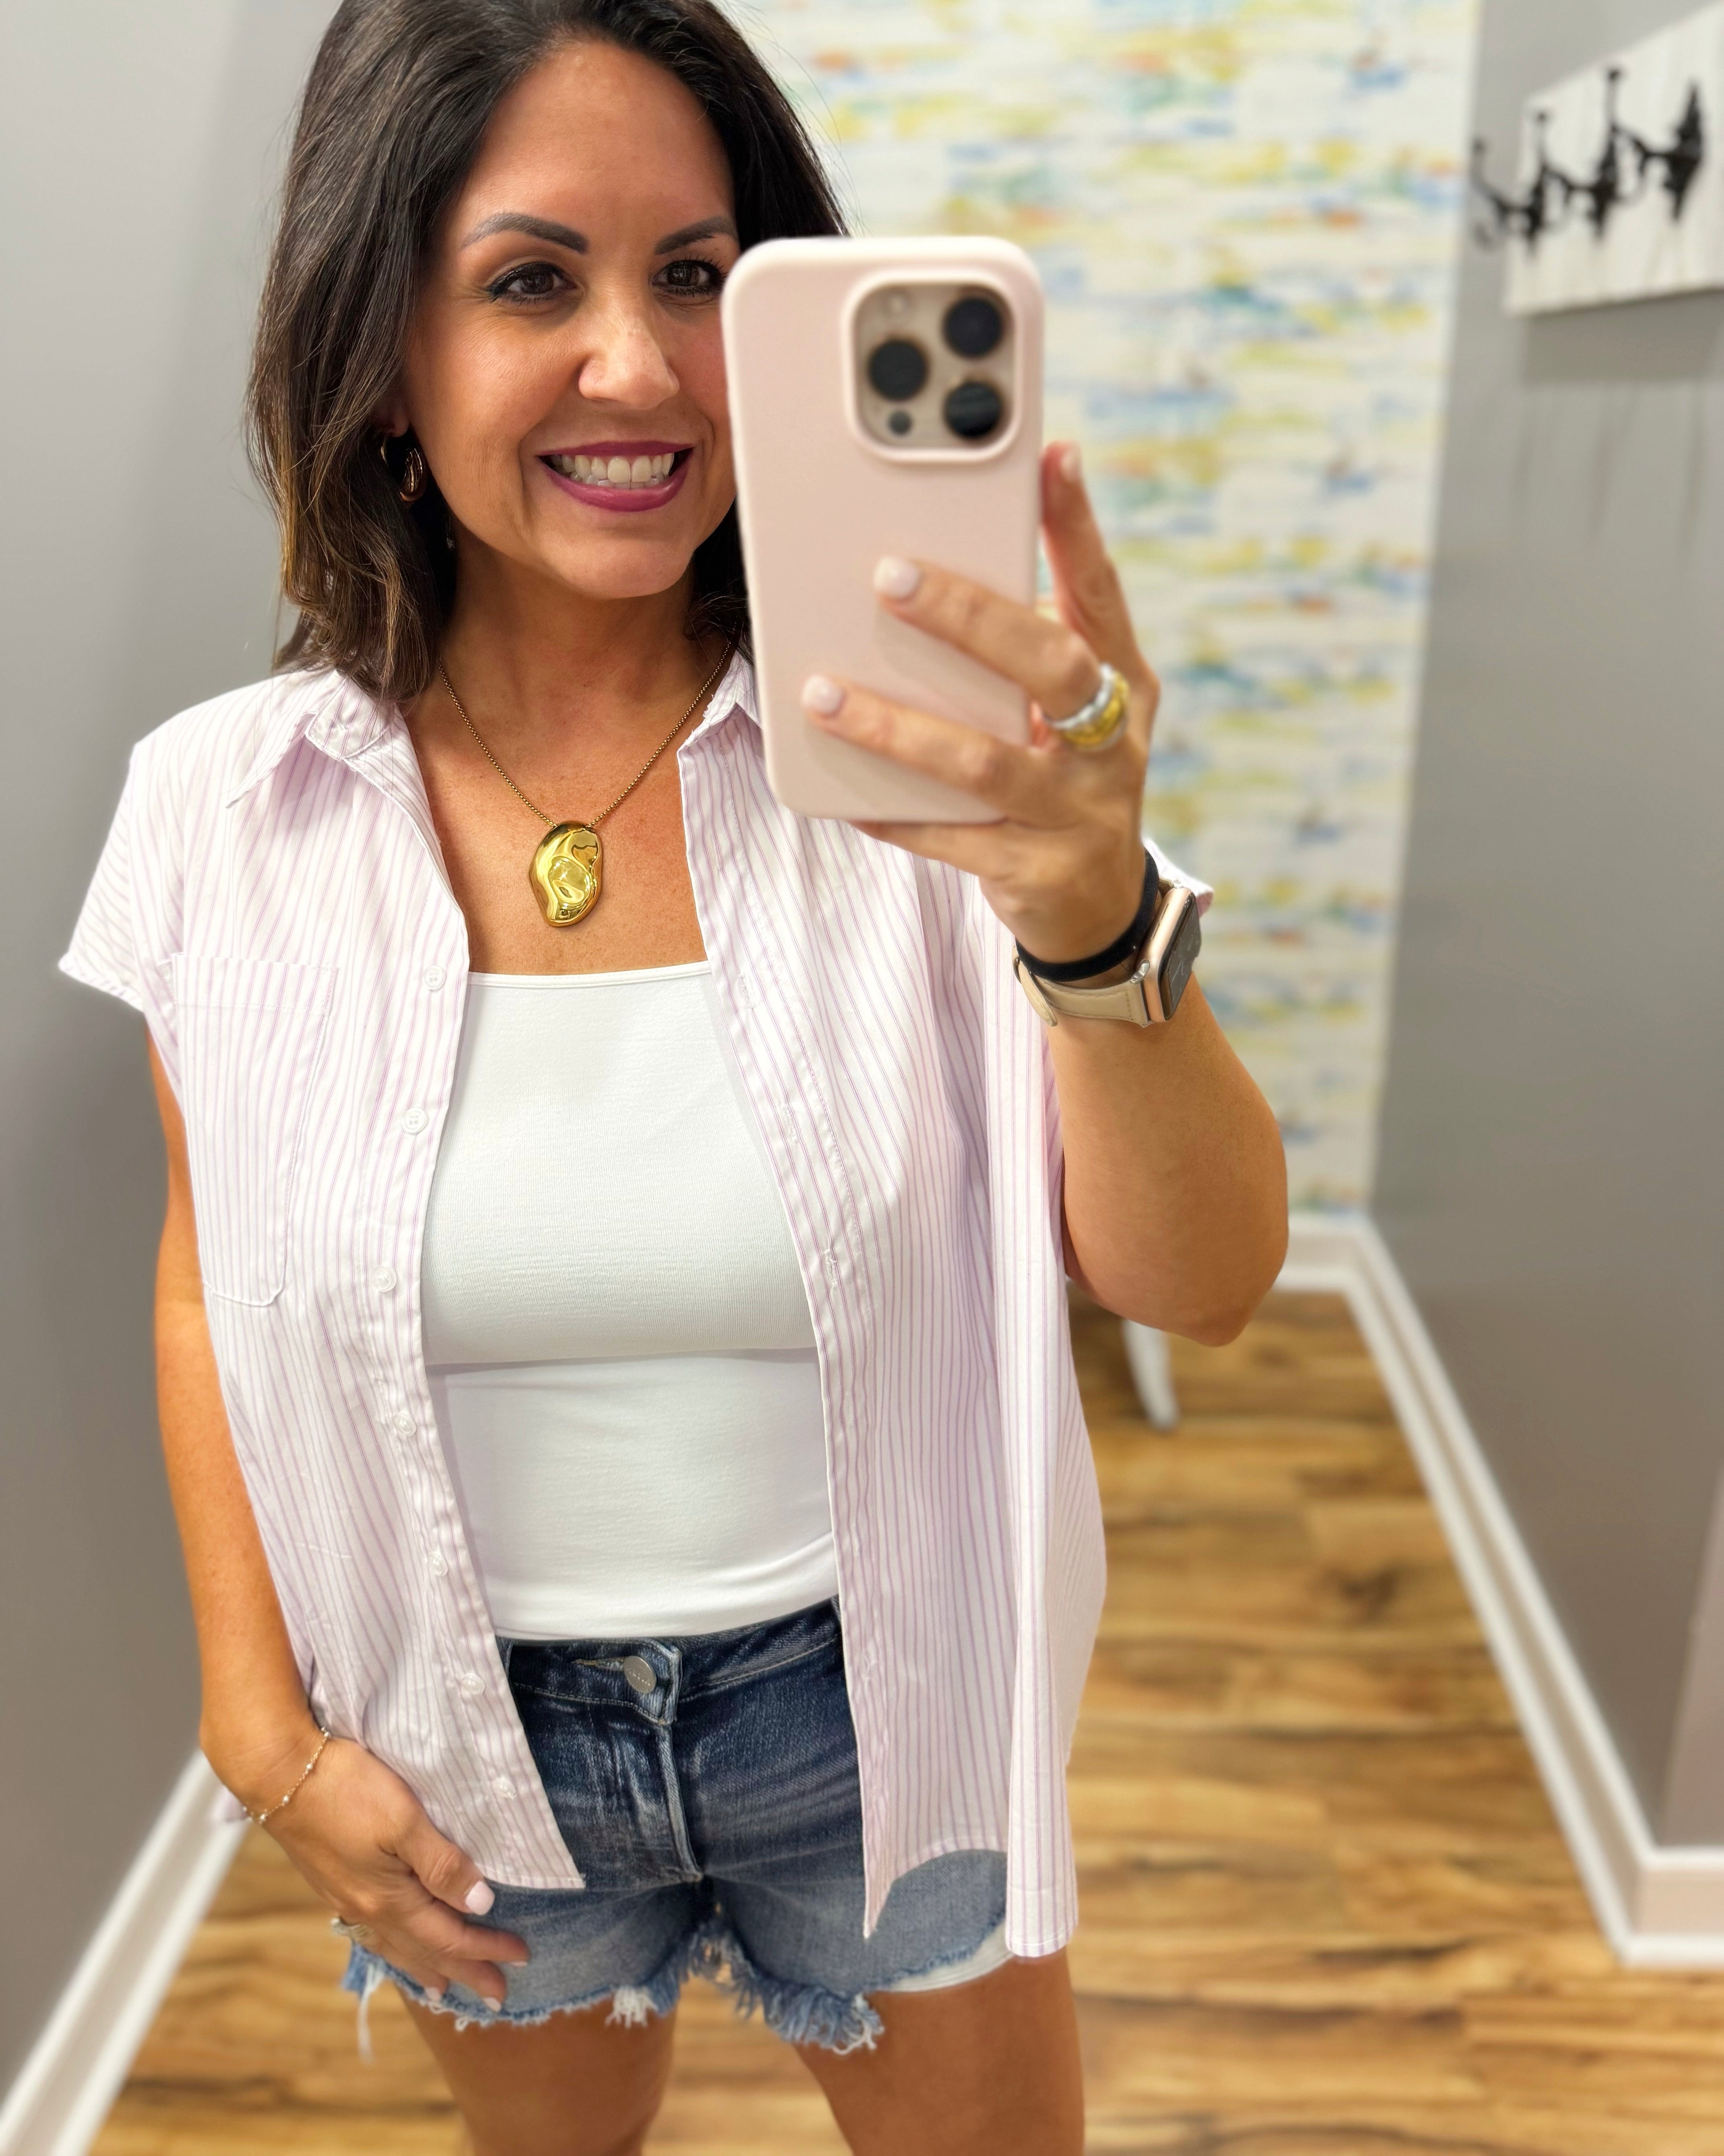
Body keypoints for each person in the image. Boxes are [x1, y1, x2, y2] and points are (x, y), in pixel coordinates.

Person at [60, 2, 1287, 2150]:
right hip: (464, 1734)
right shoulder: (220, 816)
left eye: (702, 278)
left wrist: (1092, 903)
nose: (640, 365)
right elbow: (202, 1280)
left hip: (879, 1705)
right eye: (535, 279)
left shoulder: (939, 784)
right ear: (382, 351)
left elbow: (1200, 1286)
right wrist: (257, 1723)